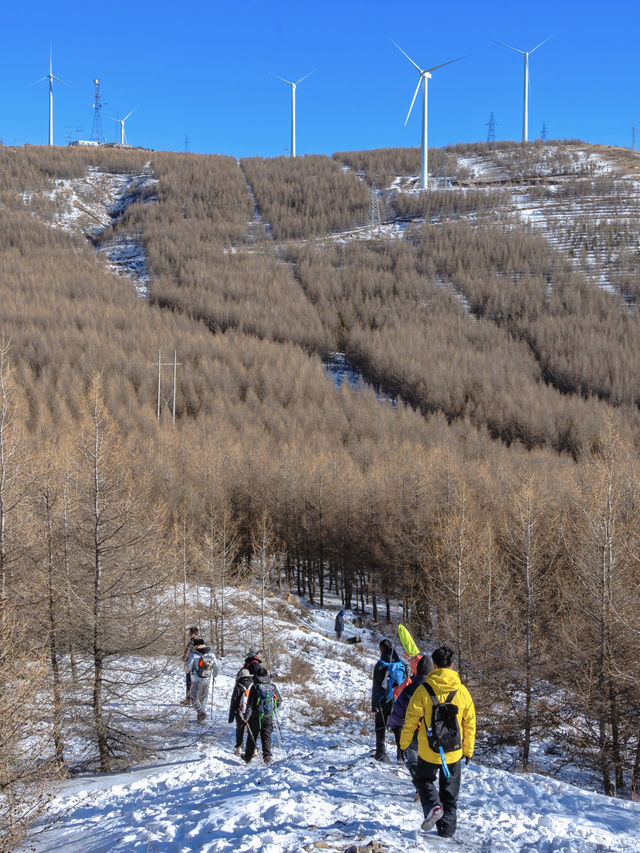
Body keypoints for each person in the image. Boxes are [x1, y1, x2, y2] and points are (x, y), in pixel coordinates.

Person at [400, 645, 475, 839]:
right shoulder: (462, 691)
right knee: (450, 791)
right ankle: (447, 831)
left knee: (423, 780)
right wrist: (468, 750)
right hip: (454, 751)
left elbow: (410, 720)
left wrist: (404, 744)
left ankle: (433, 806)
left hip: (428, 749)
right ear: (452, 665)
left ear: (434, 665)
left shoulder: (424, 690)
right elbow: (469, 723)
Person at [388, 654, 428, 794]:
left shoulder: (410, 684)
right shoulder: (435, 684)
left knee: (412, 759)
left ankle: (422, 787)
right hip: (431, 730)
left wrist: (392, 723)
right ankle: (427, 786)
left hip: (413, 729)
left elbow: (399, 704)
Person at [241, 667, 282, 764]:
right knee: (266, 736)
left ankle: (248, 757)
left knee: (252, 736)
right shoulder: (272, 686)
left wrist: (246, 717)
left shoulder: (255, 687)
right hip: (268, 716)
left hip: (255, 716)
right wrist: (271, 709)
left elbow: (250, 704)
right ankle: (267, 757)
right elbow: (279, 701)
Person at [371, 638, 401, 762]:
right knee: (398, 727)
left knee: (380, 725)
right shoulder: (400, 664)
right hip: (398, 700)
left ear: (381, 649)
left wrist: (374, 706)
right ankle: (401, 756)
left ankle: (381, 753)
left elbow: (376, 687)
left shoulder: (380, 665)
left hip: (383, 700)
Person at [185, 638, 218, 723]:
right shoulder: (211, 653)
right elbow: (216, 666)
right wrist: (214, 674)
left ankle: (201, 712)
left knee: (193, 697)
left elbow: (188, 666)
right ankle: (201, 717)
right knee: (203, 697)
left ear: (195, 645)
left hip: (196, 678)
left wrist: (187, 671)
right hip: (207, 677)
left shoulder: (194, 654)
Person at [228, 668, 253, 754]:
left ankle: (239, 747)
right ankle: (254, 749)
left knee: (240, 729)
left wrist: (231, 717)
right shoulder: (253, 685)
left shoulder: (238, 686)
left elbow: (233, 702)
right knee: (252, 730)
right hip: (252, 712)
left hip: (240, 712)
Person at [182, 626, 199, 705]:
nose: (188, 634)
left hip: (191, 666)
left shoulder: (191, 643)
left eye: (189, 633)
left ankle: (188, 699)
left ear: (192, 634)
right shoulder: (201, 642)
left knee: (189, 683)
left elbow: (187, 655)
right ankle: (196, 700)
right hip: (199, 667)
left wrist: (184, 658)